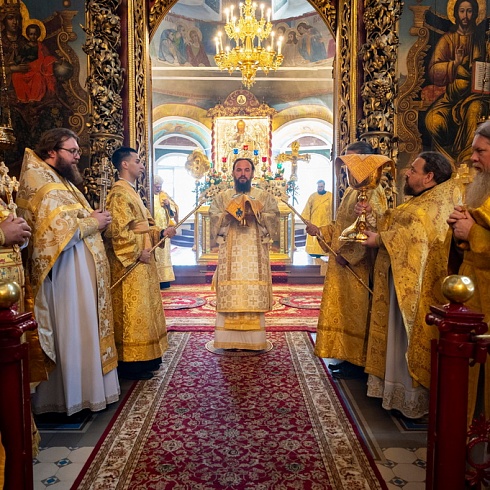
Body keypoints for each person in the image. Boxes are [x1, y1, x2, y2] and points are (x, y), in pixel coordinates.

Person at [16, 128, 120, 415]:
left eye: (77, 151)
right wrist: (92, 223)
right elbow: (52, 234)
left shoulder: (61, 181)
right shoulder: (41, 182)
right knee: (75, 328)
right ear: (52, 151)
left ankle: (92, 391)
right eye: (72, 151)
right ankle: (72, 397)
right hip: (66, 276)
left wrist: (94, 220)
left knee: (86, 326)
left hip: (81, 275)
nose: (77, 157)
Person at [360, 151, 456, 418]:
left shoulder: (430, 205)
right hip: (401, 278)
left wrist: (379, 240)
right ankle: (395, 388)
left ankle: (409, 394)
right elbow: (396, 223)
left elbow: (414, 237)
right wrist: (371, 219)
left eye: (413, 170)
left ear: (429, 177)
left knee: (405, 336)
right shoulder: (425, 200)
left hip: (414, 287)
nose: (407, 173)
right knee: (396, 335)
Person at [306, 142, 388, 379]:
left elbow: (375, 227)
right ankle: (348, 357)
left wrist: (349, 256)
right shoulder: (352, 190)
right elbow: (342, 226)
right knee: (345, 312)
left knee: (359, 313)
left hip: (358, 266)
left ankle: (359, 362)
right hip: (342, 262)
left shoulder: (374, 191)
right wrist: (320, 230)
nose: (347, 168)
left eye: (352, 163)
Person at [105, 147, 176, 380]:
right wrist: (136, 254)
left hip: (144, 259)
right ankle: (132, 363)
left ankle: (147, 358)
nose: (142, 165)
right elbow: (118, 232)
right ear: (124, 165)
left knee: (144, 309)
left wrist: (162, 231)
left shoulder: (132, 192)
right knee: (132, 310)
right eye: (137, 161)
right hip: (132, 264)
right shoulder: (119, 193)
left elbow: (144, 225)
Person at [208, 157, 279, 350]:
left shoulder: (263, 196)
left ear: (252, 174)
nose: (242, 174)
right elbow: (213, 219)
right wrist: (227, 215)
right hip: (231, 256)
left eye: (246, 170)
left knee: (251, 294)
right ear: (232, 173)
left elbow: (274, 219)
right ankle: (228, 340)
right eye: (238, 170)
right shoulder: (223, 197)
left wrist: (256, 213)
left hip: (255, 256)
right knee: (231, 293)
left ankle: (253, 342)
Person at [447, 120, 490, 425]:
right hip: (474, 297)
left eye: (480, 151)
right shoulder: (481, 190)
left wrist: (472, 233)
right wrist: (458, 231)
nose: (472, 158)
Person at [425, 0, 489, 164]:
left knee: (474, 110)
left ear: (475, 13)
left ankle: (468, 161)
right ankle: (446, 163)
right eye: (462, 11)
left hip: (477, 97)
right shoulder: (448, 40)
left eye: (469, 11)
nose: (465, 16)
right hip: (451, 99)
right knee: (433, 119)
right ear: (455, 14)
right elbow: (433, 70)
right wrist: (455, 63)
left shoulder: (482, 41)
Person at [11, 22, 57, 103]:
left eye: (35, 34)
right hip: (27, 69)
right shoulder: (25, 47)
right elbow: (19, 58)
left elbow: (47, 58)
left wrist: (51, 60)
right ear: (28, 35)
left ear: (38, 34)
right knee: (16, 75)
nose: (33, 36)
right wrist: (15, 61)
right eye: (31, 34)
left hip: (38, 70)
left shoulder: (41, 47)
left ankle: (34, 98)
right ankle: (22, 98)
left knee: (38, 76)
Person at [153, 174, 178, 288]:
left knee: (164, 255)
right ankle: (155, 279)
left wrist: (168, 205)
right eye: (156, 186)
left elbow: (174, 209)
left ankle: (165, 280)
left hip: (165, 230)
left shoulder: (163, 195)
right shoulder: (147, 197)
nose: (158, 188)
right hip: (153, 231)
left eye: (160, 186)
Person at [301, 179, 333, 257]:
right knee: (313, 238)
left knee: (324, 236)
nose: (320, 188)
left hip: (326, 221)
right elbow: (307, 208)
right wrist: (307, 220)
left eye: (321, 186)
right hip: (314, 221)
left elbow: (333, 208)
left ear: (324, 186)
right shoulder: (313, 196)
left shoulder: (330, 195)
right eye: (318, 186)